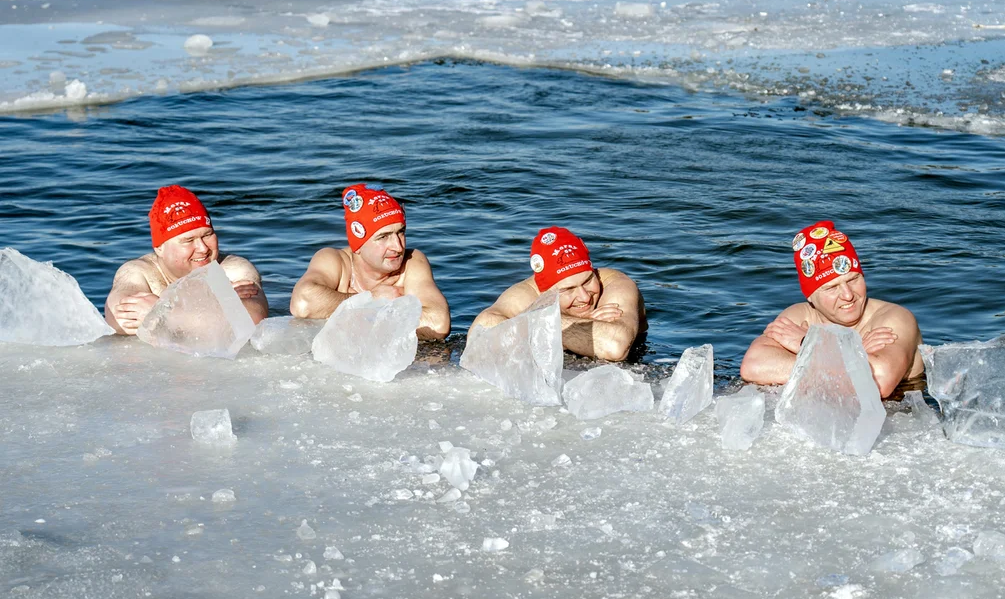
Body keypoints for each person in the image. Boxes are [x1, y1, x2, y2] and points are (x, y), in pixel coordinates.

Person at [740, 221, 923, 398]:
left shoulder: (895, 319)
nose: (848, 295)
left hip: (896, 417)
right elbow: (754, 366)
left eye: (853, 280)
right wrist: (852, 359)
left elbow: (878, 381)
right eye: (832, 288)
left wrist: (808, 343)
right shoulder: (801, 314)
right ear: (810, 296)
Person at [289, 184, 450, 341]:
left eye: (400, 232)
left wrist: (351, 311)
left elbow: (439, 324)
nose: (398, 246)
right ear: (358, 245)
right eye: (383, 237)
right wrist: (373, 300)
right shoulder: (335, 261)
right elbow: (302, 303)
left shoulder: (412, 262)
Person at [105, 185, 268, 335]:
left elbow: (251, 320)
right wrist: (214, 305)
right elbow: (118, 319)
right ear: (159, 248)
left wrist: (162, 314)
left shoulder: (234, 269)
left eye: (207, 235)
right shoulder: (139, 272)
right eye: (188, 241)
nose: (203, 248)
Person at [469, 226, 646, 361]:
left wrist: (530, 323)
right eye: (568, 290)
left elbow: (614, 346)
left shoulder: (615, 284)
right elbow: (480, 338)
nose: (585, 297)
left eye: (588, 281)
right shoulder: (527, 293)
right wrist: (583, 325)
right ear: (545, 291)